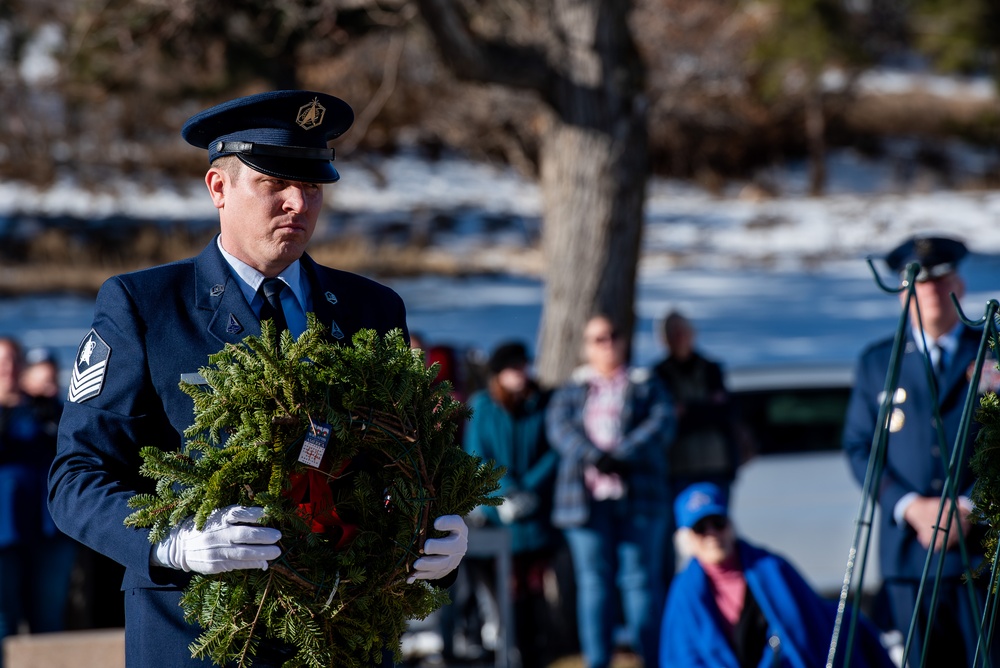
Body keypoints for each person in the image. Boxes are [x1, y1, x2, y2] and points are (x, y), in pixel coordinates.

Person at [47, 90, 469, 667]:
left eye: (314, 186)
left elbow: (401, 459)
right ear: (218, 188)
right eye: (275, 183)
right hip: (196, 635)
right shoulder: (145, 307)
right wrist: (171, 544)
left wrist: (439, 531)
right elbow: (75, 478)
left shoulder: (370, 310)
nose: (299, 202)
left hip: (343, 640)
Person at [842, 235, 997, 666]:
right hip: (909, 560)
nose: (929, 289)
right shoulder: (879, 362)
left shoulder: (992, 351)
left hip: (984, 555)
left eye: (940, 277)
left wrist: (970, 505)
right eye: (917, 281)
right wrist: (911, 507)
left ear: (960, 286)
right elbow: (860, 448)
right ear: (902, 294)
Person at [546, 314, 674, 668]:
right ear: (587, 346)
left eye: (613, 335)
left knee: (640, 581)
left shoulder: (646, 383)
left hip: (640, 498)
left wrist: (622, 455)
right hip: (583, 502)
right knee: (594, 582)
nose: (607, 344)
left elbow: (662, 424)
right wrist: (595, 457)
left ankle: (652, 658)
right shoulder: (571, 389)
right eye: (598, 338)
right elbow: (559, 431)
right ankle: (597, 661)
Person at [660, 482, 895, 668]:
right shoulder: (683, 594)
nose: (712, 535)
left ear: (730, 525)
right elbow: (682, 658)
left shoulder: (773, 569)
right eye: (700, 528)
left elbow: (806, 636)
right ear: (686, 539)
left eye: (718, 523)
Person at [463, 341, 561, 667]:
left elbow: (554, 451)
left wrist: (529, 490)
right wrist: (504, 492)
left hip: (535, 517)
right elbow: (477, 457)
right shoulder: (482, 407)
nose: (521, 373)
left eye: (523, 366)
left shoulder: (543, 404)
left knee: (536, 592)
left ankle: (538, 654)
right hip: (498, 516)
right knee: (504, 594)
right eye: (513, 368)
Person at [0, 338, 76, 665]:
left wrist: (51, 410)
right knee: (4, 623)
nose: (8, 368)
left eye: (13, 360)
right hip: (3, 537)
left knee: (49, 622)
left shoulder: (44, 409)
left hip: (49, 532)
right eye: (1, 362)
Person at [653, 311, 740, 496]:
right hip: (677, 469)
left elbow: (724, 413)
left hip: (716, 466)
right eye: (673, 333)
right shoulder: (659, 375)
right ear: (663, 339)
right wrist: (705, 409)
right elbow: (665, 420)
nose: (679, 338)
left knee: (716, 523)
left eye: (682, 331)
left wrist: (688, 411)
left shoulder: (711, 369)